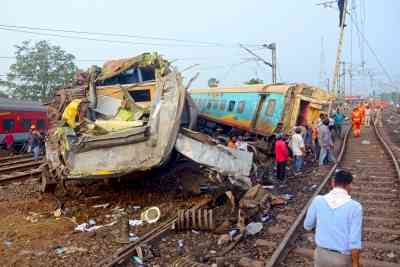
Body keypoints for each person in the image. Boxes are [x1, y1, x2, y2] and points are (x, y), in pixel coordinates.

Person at [304, 170, 362, 267]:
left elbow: (307, 225)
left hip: (321, 255)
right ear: (349, 185)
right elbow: (354, 241)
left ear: (332, 182)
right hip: (342, 259)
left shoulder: (318, 200)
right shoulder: (355, 207)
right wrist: (355, 263)